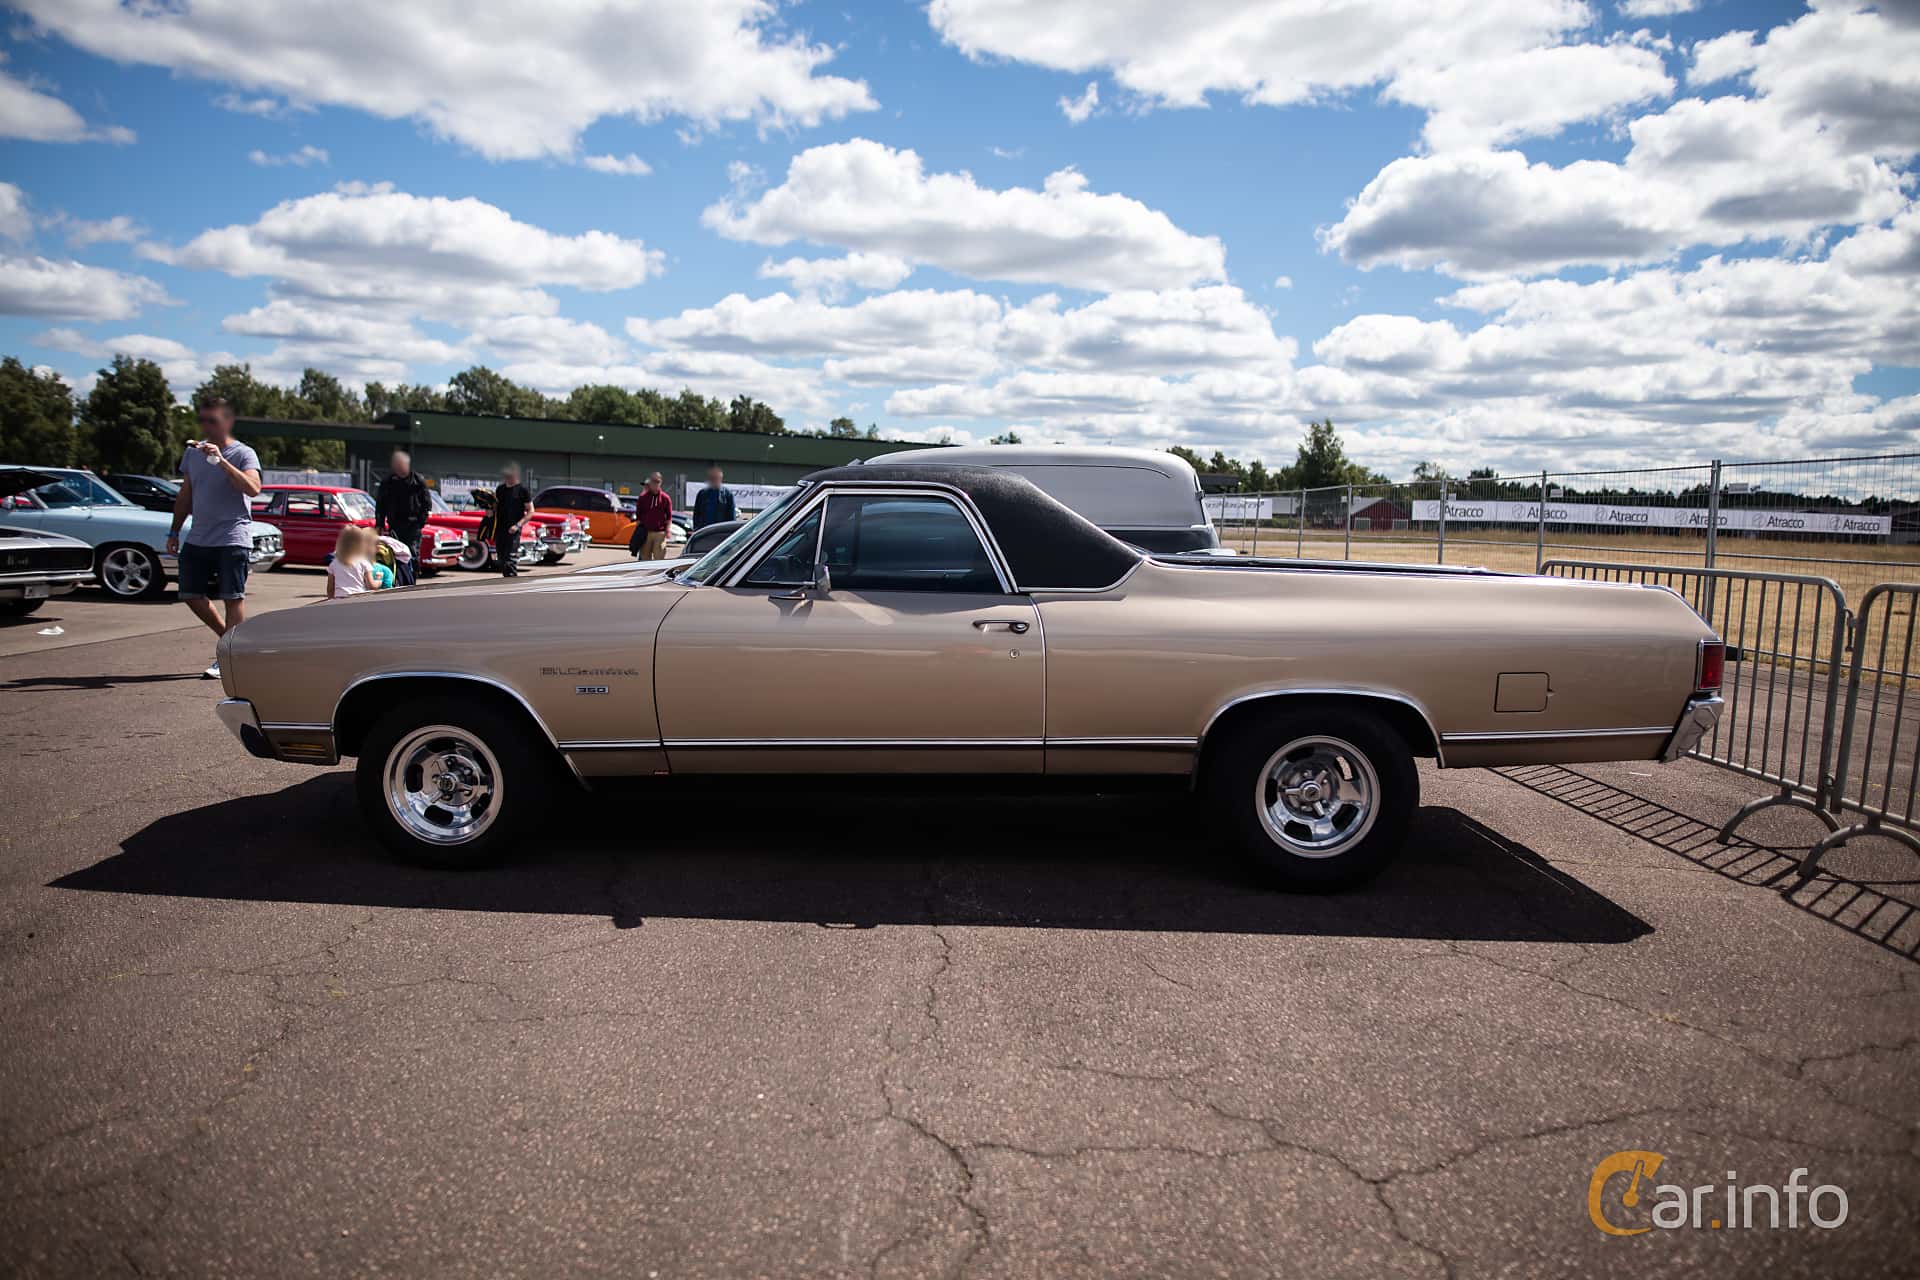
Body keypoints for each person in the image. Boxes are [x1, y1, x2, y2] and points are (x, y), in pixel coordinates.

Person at [166, 397, 262, 679]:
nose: (206, 426)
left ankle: (228, 658)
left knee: (232, 597)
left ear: (227, 422)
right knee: (190, 593)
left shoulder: (244, 453)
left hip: (233, 536)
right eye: (203, 420)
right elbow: (186, 495)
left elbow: (253, 488)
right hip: (198, 537)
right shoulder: (192, 454)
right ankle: (231, 643)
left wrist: (221, 461)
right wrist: (174, 530)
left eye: (213, 420)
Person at [374, 449, 430, 564]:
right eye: (396, 465)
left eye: (401, 465)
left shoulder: (418, 481)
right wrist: (379, 524)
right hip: (395, 523)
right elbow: (381, 504)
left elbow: (426, 503)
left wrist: (421, 522)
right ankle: (399, 578)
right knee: (396, 552)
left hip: (413, 525)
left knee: (413, 552)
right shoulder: (388, 482)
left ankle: (412, 576)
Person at [494, 462, 532, 577]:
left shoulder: (522, 490)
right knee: (501, 558)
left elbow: (531, 511)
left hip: (513, 529)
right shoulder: (500, 489)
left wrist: (518, 525)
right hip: (500, 528)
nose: (509, 477)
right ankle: (506, 579)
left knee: (510, 558)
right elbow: (495, 508)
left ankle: (511, 583)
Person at [325, 525, 381, 598]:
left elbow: (330, 588)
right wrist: (379, 580)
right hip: (357, 598)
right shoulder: (363, 562)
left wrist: (330, 599)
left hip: (339, 598)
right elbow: (372, 586)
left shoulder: (334, 563)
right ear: (361, 544)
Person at [633, 472, 672, 560]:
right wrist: (638, 532)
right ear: (650, 482)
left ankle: (658, 573)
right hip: (646, 532)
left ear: (660, 482)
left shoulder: (665, 498)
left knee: (659, 557)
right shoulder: (643, 498)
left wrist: (668, 530)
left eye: (657, 481)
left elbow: (669, 517)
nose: (655, 484)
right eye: (653, 481)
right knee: (645, 558)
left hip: (660, 533)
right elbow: (638, 516)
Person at [691, 466, 736, 530]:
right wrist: (696, 528)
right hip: (704, 530)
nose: (714, 480)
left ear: (720, 479)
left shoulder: (727, 495)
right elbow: (696, 514)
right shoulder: (702, 494)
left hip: (720, 531)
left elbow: (731, 517)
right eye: (712, 478)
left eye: (716, 478)